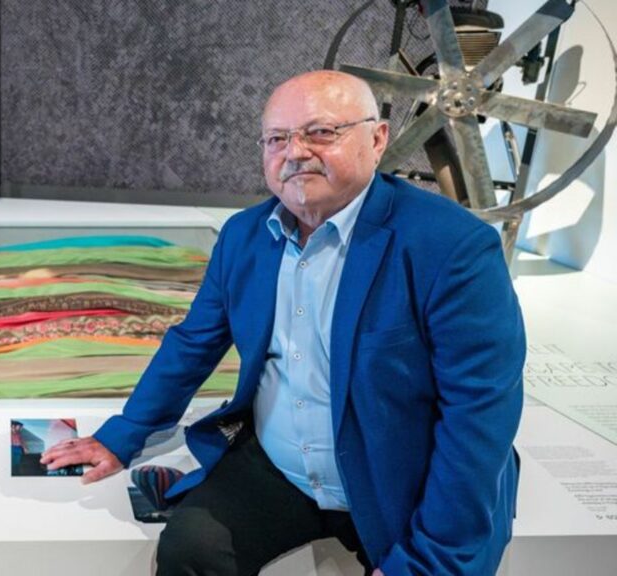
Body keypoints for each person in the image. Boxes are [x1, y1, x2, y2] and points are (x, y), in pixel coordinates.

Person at [41, 70, 525, 575]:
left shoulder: (451, 247)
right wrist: (124, 433)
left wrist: (430, 560)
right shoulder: (244, 236)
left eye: (321, 132)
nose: (295, 152)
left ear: (377, 139)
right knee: (190, 552)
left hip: (404, 475)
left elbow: (478, 414)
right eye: (277, 138)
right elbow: (192, 346)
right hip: (283, 469)